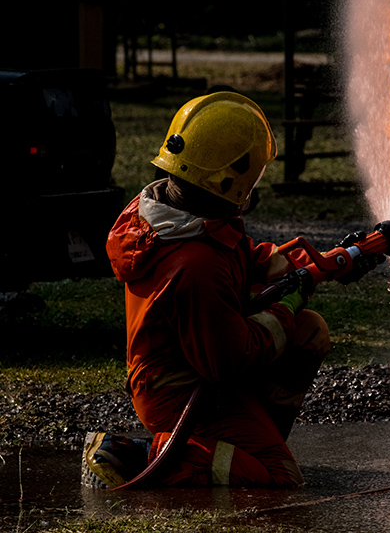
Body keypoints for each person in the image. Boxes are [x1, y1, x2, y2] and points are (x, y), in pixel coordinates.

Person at [85, 90, 357, 489]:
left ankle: (248, 441)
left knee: (309, 331)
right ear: (229, 176)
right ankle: (139, 455)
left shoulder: (176, 213)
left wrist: (310, 264)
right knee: (280, 477)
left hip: (190, 369)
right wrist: (290, 301)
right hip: (180, 393)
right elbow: (230, 360)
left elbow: (241, 255)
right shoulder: (195, 264)